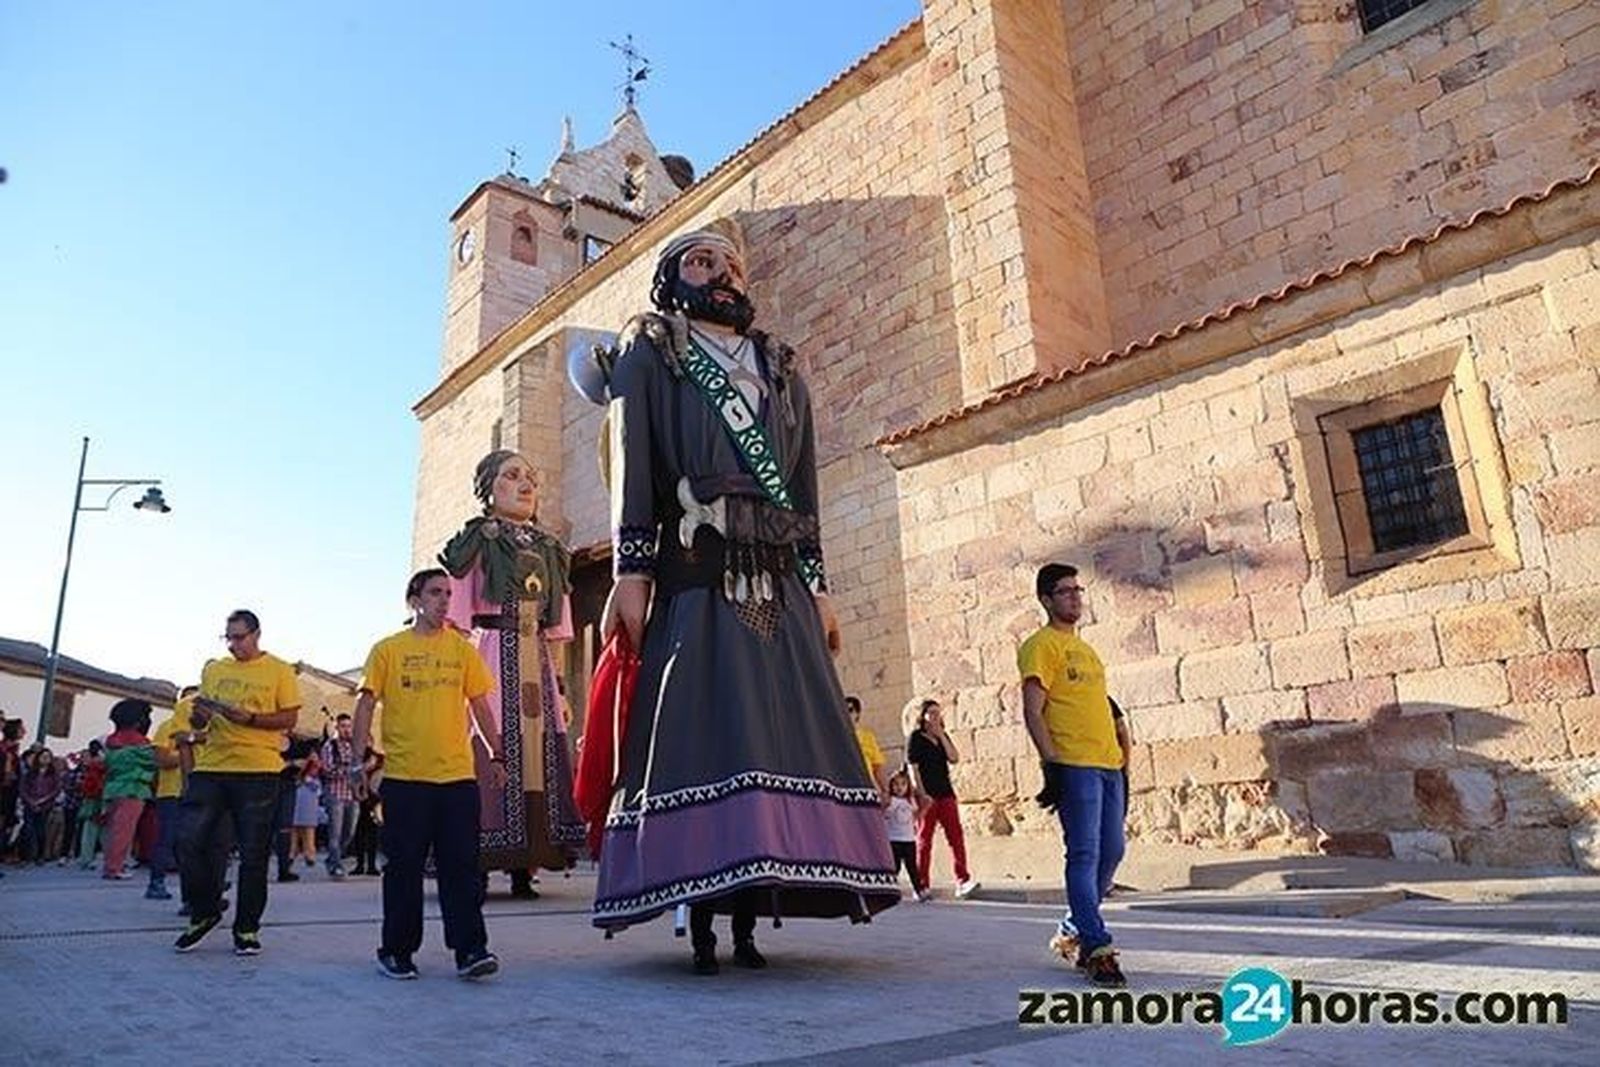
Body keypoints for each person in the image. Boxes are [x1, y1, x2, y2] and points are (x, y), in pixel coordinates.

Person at [587, 226, 900, 974]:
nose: (720, 273)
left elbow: (806, 487)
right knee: (705, 734)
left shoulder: (780, 364)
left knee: (779, 736)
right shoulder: (651, 349)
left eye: (730, 264)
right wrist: (632, 570)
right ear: (673, 278)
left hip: (779, 569)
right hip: (697, 563)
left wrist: (820, 586)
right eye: (702, 261)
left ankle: (755, 918)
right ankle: (698, 917)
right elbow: (633, 459)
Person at [439, 449, 584, 900]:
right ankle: (479, 861)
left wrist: (558, 686)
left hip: (536, 660)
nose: (525, 485)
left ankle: (528, 862)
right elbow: (454, 620)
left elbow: (556, 626)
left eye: (531, 478)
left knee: (541, 756)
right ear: (488, 488)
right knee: (488, 747)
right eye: (512, 476)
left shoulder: (550, 549)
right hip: (489, 656)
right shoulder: (475, 542)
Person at [351, 568, 503, 981]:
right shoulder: (387, 650)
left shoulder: (461, 650)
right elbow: (365, 705)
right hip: (405, 780)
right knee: (403, 869)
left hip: (456, 779)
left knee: (462, 869)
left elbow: (480, 705)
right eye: (435, 592)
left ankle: (470, 951)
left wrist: (497, 753)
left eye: (448, 593)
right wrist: (355, 761)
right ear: (414, 599)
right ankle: (397, 951)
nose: (443, 600)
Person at [1019, 562, 1127, 987]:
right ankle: (1097, 948)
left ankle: (1070, 929)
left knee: (1113, 851)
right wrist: (1052, 765)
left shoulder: (1088, 651)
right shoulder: (1041, 646)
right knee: (1083, 853)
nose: (1074, 597)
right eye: (1064, 592)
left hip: (1108, 765)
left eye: (1078, 590)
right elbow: (1032, 710)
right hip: (1074, 765)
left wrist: (1121, 759)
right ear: (1046, 600)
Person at [175, 609, 302, 956]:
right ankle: (205, 910)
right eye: (228, 638)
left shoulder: (279, 670)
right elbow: (198, 725)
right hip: (212, 766)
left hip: (259, 769)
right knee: (187, 840)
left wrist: (250, 718)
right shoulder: (214, 669)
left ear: (256, 634)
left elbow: (289, 717)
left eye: (239, 638)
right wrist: (201, 715)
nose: (233, 645)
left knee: (253, 854)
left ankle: (246, 928)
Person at [906, 700, 979, 901]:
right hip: (927, 796)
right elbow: (913, 767)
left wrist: (942, 737)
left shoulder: (942, 736)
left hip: (946, 793)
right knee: (924, 840)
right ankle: (921, 884)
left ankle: (962, 880)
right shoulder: (915, 738)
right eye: (931, 713)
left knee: (956, 837)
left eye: (938, 713)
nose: (935, 717)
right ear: (923, 716)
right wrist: (921, 794)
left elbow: (954, 758)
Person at [101, 701, 157, 880]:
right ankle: (114, 868)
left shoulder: (111, 740)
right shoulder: (141, 743)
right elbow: (153, 763)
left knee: (113, 830)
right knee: (124, 830)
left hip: (112, 788)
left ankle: (112, 863)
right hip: (134, 789)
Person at [145, 697, 192, 900]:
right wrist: (188, 754)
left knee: (192, 844)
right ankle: (156, 882)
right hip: (171, 793)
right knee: (167, 839)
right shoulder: (168, 727)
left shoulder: (207, 730)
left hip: (197, 792)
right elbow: (161, 759)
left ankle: (194, 892)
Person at [320, 714, 360, 879]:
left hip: (352, 794)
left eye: (349, 726)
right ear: (336, 727)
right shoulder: (330, 746)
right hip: (336, 793)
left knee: (349, 832)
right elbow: (327, 770)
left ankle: (332, 858)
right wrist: (347, 770)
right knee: (335, 833)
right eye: (343, 726)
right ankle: (335, 865)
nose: (347, 729)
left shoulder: (354, 746)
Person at [883, 768, 926, 902]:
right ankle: (890, 890)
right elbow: (882, 813)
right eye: (896, 784)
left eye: (903, 784)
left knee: (912, 867)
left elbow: (916, 816)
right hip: (894, 840)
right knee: (895, 867)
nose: (899, 787)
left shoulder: (910, 801)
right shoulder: (890, 801)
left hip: (908, 840)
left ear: (908, 786)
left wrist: (924, 809)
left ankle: (919, 890)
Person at [19, 747, 61, 864]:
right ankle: (25, 857)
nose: (45, 759)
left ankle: (39, 856)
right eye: (43, 756)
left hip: (45, 805)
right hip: (30, 804)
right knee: (28, 830)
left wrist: (44, 800)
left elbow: (56, 789)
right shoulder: (30, 773)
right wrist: (30, 800)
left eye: (48, 757)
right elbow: (23, 789)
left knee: (41, 831)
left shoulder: (53, 774)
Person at [846, 696, 889, 799]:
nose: (846, 714)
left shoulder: (867, 737)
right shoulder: (833, 737)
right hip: (845, 789)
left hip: (867, 788)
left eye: (850, 710)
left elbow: (878, 767)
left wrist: (885, 791)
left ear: (857, 714)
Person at [349, 745, 382, 876]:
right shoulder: (358, 763)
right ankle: (361, 864)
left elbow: (375, 787)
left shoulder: (378, 767)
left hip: (374, 801)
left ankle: (371, 865)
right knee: (360, 834)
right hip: (361, 802)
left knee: (372, 833)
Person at [75, 741, 107, 868]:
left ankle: (85, 857)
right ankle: (107, 856)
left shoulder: (89, 766)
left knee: (89, 829)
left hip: (90, 798)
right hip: (101, 798)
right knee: (104, 830)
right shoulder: (104, 765)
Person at [290, 754, 322, 869]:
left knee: (309, 833)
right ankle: (291, 853)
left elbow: (318, 790)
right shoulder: (296, 779)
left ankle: (310, 855)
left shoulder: (315, 781)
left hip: (309, 807)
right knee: (293, 832)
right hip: (296, 805)